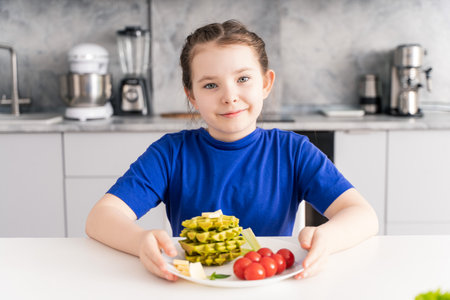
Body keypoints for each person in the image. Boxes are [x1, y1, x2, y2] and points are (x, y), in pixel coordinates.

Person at [86, 19, 378, 281]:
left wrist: (326, 236)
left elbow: (362, 215)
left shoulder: (293, 151)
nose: (229, 97)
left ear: (265, 83)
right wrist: (139, 241)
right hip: (194, 287)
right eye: (211, 85)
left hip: (270, 284)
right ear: (192, 96)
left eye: (243, 79)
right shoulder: (169, 153)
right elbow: (101, 217)